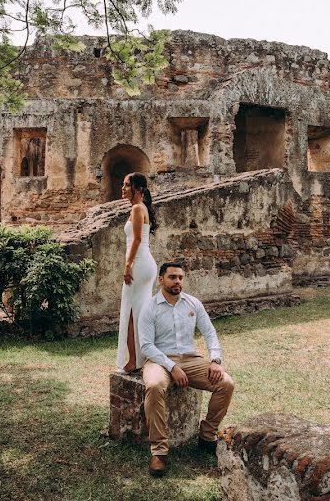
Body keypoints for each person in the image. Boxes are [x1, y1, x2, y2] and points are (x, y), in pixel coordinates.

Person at [138, 262, 235, 477]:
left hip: (191, 359)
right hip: (159, 360)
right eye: (172, 277)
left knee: (226, 384)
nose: (177, 282)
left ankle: (207, 435)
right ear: (161, 280)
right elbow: (146, 346)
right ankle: (159, 451)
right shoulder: (150, 307)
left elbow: (209, 333)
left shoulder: (193, 303)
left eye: (180, 277)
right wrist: (172, 367)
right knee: (154, 386)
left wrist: (215, 360)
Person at [116, 172, 158, 372]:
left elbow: (138, 240)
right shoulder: (140, 208)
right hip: (143, 263)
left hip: (139, 265)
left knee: (132, 313)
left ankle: (135, 361)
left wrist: (127, 265)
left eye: (126, 185)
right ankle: (142, 358)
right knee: (139, 312)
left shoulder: (137, 208)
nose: (122, 188)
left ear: (137, 189)